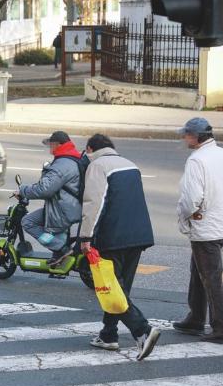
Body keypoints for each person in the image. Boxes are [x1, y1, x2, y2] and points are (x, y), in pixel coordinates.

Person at [79, 134, 160, 361]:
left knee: (112, 289)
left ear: (90, 149)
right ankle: (108, 335)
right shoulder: (130, 165)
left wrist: (85, 237)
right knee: (119, 288)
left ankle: (143, 330)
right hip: (138, 235)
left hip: (113, 236)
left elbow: (94, 203)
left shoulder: (97, 166)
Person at [174, 118, 223, 342]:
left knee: (210, 278)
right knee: (198, 271)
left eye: (186, 134)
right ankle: (195, 318)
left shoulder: (197, 161)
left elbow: (191, 199)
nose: (184, 138)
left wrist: (184, 217)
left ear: (195, 136)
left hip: (206, 225)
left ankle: (222, 328)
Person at [14, 131, 83, 266]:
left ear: (57, 145)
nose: (50, 148)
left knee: (28, 222)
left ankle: (61, 249)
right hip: (71, 206)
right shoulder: (73, 157)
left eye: (51, 144)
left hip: (64, 211)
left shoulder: (62, 164)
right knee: (48, 222)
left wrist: (23, 190)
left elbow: (44, 189)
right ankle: (58, 254)